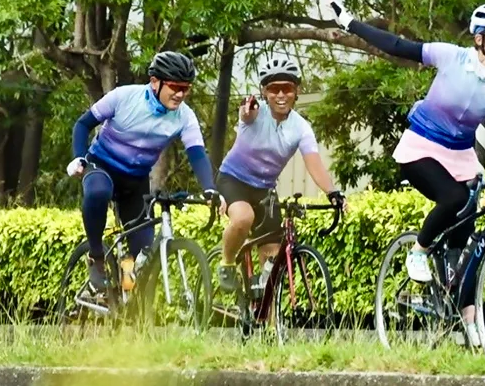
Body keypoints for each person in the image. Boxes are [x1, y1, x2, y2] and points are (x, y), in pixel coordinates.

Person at [327, 0, 485, 349]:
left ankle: (466, 318)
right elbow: (397, 46)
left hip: (460, 155)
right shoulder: (451, 56)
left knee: (466, 232)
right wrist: (350, 23)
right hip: (420, 146)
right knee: (453, 197)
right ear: (479, 38)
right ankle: (418, 251)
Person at [67, 51, 219, 291]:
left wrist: (210, 188)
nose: (180, 94)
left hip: (135, 182)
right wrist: (78, 157)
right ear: (155, 82)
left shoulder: (185, 117)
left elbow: (197, 153)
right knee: (97, 192)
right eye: (175, 87)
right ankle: (96, 257)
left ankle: (129, 308)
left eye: (186, 88)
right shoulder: (124, 97)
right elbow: (83, 124)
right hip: (101, 167)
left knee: (143, 258)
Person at [215, 56, 344, 294]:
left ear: (297, 91)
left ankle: (270, 326)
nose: (281, 95)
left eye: (288, 89)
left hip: (264, 188)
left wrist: (333, 192)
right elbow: (247, 113)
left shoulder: (301, 127)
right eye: (274, 89)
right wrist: (247, 108)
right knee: (243, 218)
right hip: (233, 179)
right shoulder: (255, 112)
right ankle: (227, 263)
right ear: (264, 91)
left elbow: (313, 163)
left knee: (272, 261)